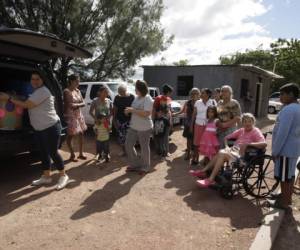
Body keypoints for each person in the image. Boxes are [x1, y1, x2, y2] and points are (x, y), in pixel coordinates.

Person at [0, 71, 69, 190]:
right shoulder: (35, 92)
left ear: (42, 80)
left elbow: (27, 105)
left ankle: (63, 176)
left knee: (53, 152)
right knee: (43, 152)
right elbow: (26, 100)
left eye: (37, 79)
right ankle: (46, 176)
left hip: (51, 127)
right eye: (32, 79)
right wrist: (14, 96)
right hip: (39, 128)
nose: (35, 81)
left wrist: (9, 98)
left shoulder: (43, 91)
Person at [194, 113, 266, 188]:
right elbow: (226, 138)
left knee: (221, 153)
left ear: (253, 122)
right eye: (245, 121)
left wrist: (249, 144)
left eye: (249, 121)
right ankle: (205, 173)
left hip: (243, 156)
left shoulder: (255, 131)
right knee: (221, 152)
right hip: (233, 152)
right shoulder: (241, 130)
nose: (247, 123)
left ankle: (208, 176)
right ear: (242, 123)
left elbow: (264, 144)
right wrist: (227, 146)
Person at [270, 83, 300, 210]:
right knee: (289, 175)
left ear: (291, 94)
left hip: (285, 150)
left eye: (282, 94)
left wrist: (275, 151)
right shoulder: (297, 108)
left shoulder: (288, 110)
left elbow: (282, 133)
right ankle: (285, 197)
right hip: (293, 149)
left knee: (284, 178)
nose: (280, 97)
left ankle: (284, 203)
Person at [125, 80, 153, 175]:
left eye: (136, 88)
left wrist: (132, 110)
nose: (135, 89)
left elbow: (146, 113)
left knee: (144, 147)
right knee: (128, 145)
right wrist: (129, 111)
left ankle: (146, 167)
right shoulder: (136, 98)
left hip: (144, 127)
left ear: (141, 89)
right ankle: (135, 164)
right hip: (134, 126)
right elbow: (134, 110)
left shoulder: (147, 98)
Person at [63, 74, 87, 162]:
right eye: (77, 81)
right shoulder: (66, 91)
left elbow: (83, 103)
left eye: (78, 81)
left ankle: (80, 153)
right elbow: (71, 105)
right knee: (71, 135)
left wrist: (77, 105)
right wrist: (79, 104)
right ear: (71, 81)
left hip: (78, 115)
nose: (78, 83)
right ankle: (72, 154)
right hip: (71, 116)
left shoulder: (77, 91)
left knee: (81, 133)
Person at [173, 88, 200, 160]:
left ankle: (194, 153)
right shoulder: (187, 103)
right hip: (188, 124)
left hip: (197, 124)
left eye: (196, 93)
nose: (194, 95)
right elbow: (182, 111)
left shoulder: (200, 103)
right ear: (190, 95)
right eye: (192, 93)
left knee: (196, 140)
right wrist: (175, 114)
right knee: (189, 139)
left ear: (199, 94)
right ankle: (188, 153)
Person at [190, 88, 215, 165]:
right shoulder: (198, 102)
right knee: (196, 143)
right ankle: (195, 159)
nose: (201, 94)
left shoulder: (212, 102)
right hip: (198, 124)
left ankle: (206, 160)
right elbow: (194, 114)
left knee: (207, 143)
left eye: (203, 93)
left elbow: (215, 114)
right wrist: (191, 125)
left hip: (208, 126)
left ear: (208, 95)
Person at [113, 84, 135, 156]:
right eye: (120, 92)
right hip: (120, 120)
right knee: (121, 136)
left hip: (130, 120)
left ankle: (130, 151)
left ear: (125, 91)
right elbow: (115, 109)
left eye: (122, 92)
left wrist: (130, 112)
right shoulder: (117, 98)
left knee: (130, 137)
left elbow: (135, 108)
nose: (121, 94)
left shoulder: (131, 97)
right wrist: (114, 119)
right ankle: (124, 151)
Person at [152, 84, 173, 157]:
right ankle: (160, 151)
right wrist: (152, 120)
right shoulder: (158, 98)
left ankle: (166, 151)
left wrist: (171, 120)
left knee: (166, 136)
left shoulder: (169, 99)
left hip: (167, 121)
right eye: (170, 92)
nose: (171, 94)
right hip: (159, 121)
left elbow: (169, 110)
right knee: (159, 137)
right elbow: (154, 109)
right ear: (167, 92)